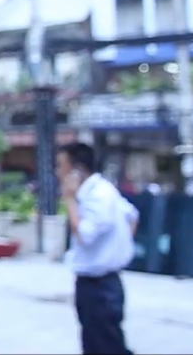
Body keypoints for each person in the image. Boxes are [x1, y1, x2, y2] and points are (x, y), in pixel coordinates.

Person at [57, 142, 138, 355]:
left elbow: (85, 235)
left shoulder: (98, 196)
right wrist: (115, 247)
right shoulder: (101, 190)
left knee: (105, 345)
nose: (58, 172)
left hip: (100, 287)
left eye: (61, 166)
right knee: (99, 342)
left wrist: (69, 199)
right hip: (98, 283)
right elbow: (132, 216)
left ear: (77, 170)